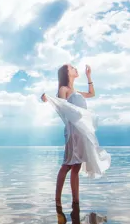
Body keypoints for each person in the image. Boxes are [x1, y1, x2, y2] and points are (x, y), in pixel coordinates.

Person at [41, 64, 111, 207]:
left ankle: (75, 201)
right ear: (67, 73)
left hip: (82, 131)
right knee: (67, 164)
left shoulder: (76, 91)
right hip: (73, 131)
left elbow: (92, 94)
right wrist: (47, 97)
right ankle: (58, 200)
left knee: (76, 166)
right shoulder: (64, 89)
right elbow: (61, 105)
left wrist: (89, 76)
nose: (75, 69)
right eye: (72, 68)